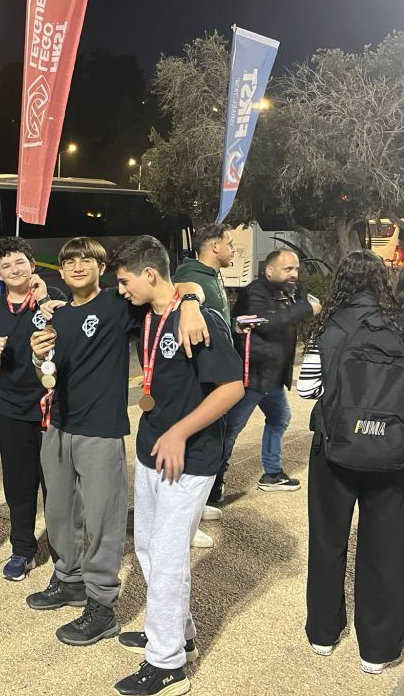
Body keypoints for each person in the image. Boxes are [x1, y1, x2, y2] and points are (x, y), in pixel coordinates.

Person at [27, 237, 207, 648]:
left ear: (101, 268)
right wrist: (38, 357)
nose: (76, 266)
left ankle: (102, 605)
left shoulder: (117, 303)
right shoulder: (55, 316)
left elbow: (176, 286)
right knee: (58, 513)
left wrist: (192, 302)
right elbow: (48, 375)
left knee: (102, 521)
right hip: (57, 425)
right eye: (69, 261)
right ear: (60, 270)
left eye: (85, 260)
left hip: (100, 429)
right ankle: (69, 579)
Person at [107, 236, 244, 696]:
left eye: (125, 281)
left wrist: (180, 432)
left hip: (189, 457)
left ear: (149, 274)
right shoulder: (149, 312)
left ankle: (167, 666)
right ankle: (177, 636)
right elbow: (185, 286)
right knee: (148, 548)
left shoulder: (201, 321)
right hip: (153, 451)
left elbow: (232, 387)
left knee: (168, 557)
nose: (121, 290)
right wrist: (188, 296)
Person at [297, 250, 404, 676]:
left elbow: (307, 389)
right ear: (381, 282)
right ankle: (377, 650)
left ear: (341, 281)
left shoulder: (329, 326)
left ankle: (323, 634)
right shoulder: (399, 325)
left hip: (334, 449)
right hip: (392, 452)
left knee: (328, 541)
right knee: (387, 549)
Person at [0, 236, 65, 581]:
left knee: (57, 486)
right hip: (10, 409)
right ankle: (22, 549)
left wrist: (44, 300)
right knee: (18, 484)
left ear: (32, 266)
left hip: (51, 407)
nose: (14, 269)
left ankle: (64, 554)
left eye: (20, 262)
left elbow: (67, 345)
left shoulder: (53, 299)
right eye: (6, 265)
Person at [214, 249, 320, 502]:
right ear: (269, 271)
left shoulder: (284, 292)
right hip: (253, 377)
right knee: (230, 430)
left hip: (271, 378)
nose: (294, 274)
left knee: (279, 417)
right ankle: (212, 483)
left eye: (296, 269)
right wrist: (307, 308)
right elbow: (267, 322)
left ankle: (272, 474)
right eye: (288, 269)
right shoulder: (254, 293)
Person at [172, 222, 235, 546]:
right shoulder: (191, 274)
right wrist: (189, 300)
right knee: (195, 447)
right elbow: (182, 289)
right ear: (214, 246)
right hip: (197, 379)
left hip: (213, 376)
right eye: (229, 243)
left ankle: (195, 507)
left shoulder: (211, 274)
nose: (233, 249)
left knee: (209, 442)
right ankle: (184, 520)